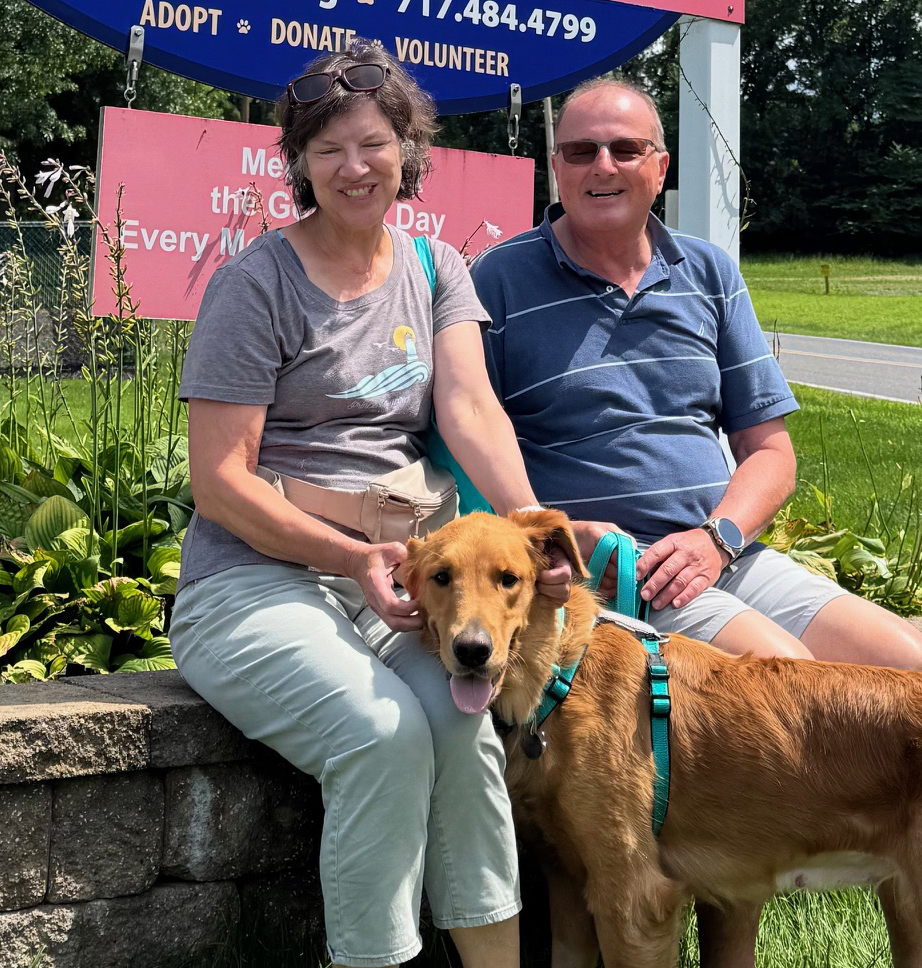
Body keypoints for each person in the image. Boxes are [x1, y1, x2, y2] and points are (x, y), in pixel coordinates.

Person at [471, 76, 922, 967]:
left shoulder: (706, 271)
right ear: (554, 167)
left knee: (909, 671)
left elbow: (770, 452)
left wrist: (719, 538)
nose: (602, 167)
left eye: (625, 149)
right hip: (620, 573)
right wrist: (546, 531)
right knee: (794, 705)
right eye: (580, 151)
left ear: (660, 165)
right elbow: (464, 436)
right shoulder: (504, 280)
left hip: (724, 548)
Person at [169, 40, 567, 968]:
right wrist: (348, 557)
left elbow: (470, 409)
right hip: (252, 583)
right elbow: (219, 480)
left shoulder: (435, 268)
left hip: (402, 581)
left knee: (461, 730)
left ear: (408, 151)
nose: (355, 167)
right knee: (381, 737)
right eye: (330, 149)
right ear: (300, 164)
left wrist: (533, 532)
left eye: (374, 144)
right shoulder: (254, 284)